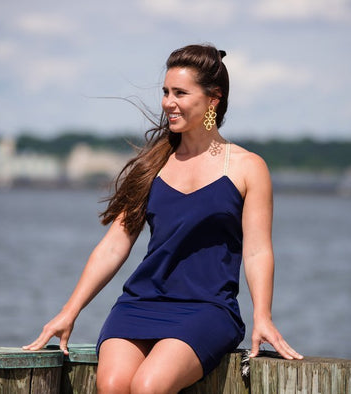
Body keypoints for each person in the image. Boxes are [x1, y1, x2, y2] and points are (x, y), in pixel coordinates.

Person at [23, 43, 302, 394]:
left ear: (213, 98)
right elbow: (115, 244)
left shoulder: (247, 167)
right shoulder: (153, 164)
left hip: (209, 309)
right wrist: (69, 311)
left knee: (148, 386)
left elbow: (258, 250)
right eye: (166, 92)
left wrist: (263, 316)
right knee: (111, 385)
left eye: (180, 93)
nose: (168, 102)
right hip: (141, 302)